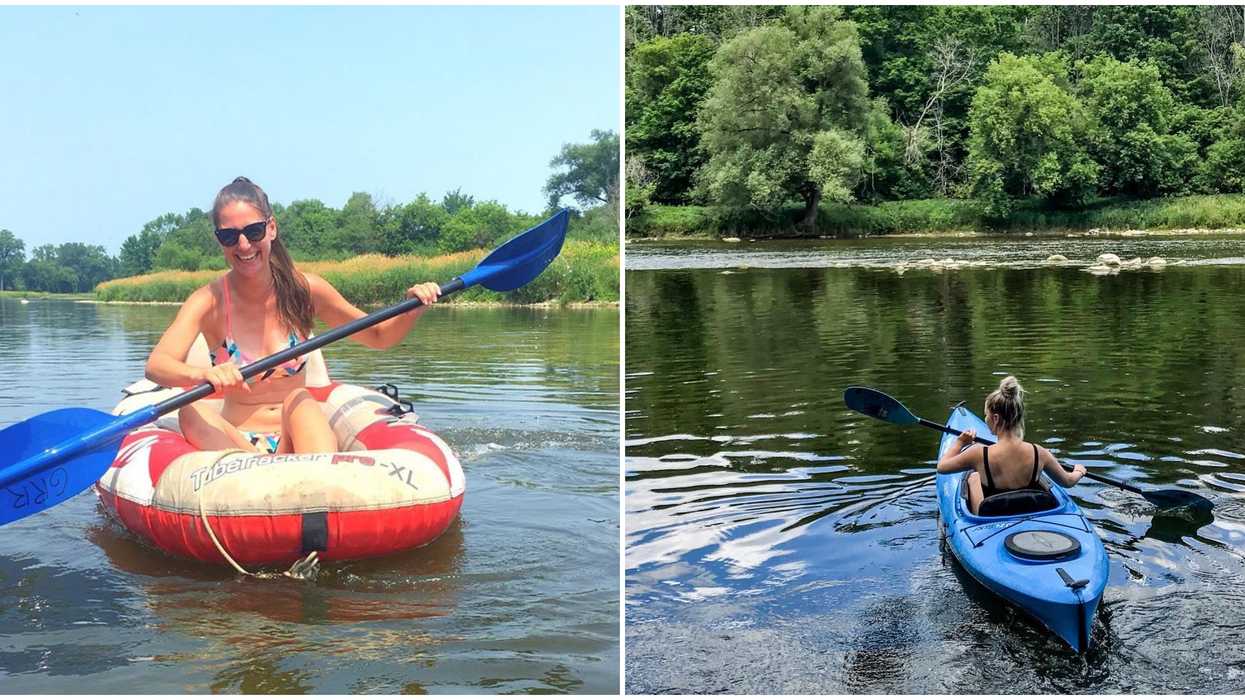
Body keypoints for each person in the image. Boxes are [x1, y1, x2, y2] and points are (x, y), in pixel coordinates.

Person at [145, 176, 442, 454]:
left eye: (254, 231)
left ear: (271, 228)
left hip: (295, 439)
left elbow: (378, 336)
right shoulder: (208, 301)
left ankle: (316, 474)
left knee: (301, 398)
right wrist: (203, 374)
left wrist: (412, 308)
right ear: (219, 240)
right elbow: (157, 365)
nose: (244, 245)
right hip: (238, 446)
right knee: (190, 411)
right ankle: (260, 474)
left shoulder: (306, 290)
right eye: (229, 236)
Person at [936, 375, 1087, 514]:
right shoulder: (1039, 452)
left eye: (986, 415)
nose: (986, 419)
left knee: (973, 477)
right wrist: (1079, 471)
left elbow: (942, 467)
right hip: (1030, 511)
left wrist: (960, 442)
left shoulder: (978, 453)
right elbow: (1068, 481)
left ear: (995, 418)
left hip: (994, 516)